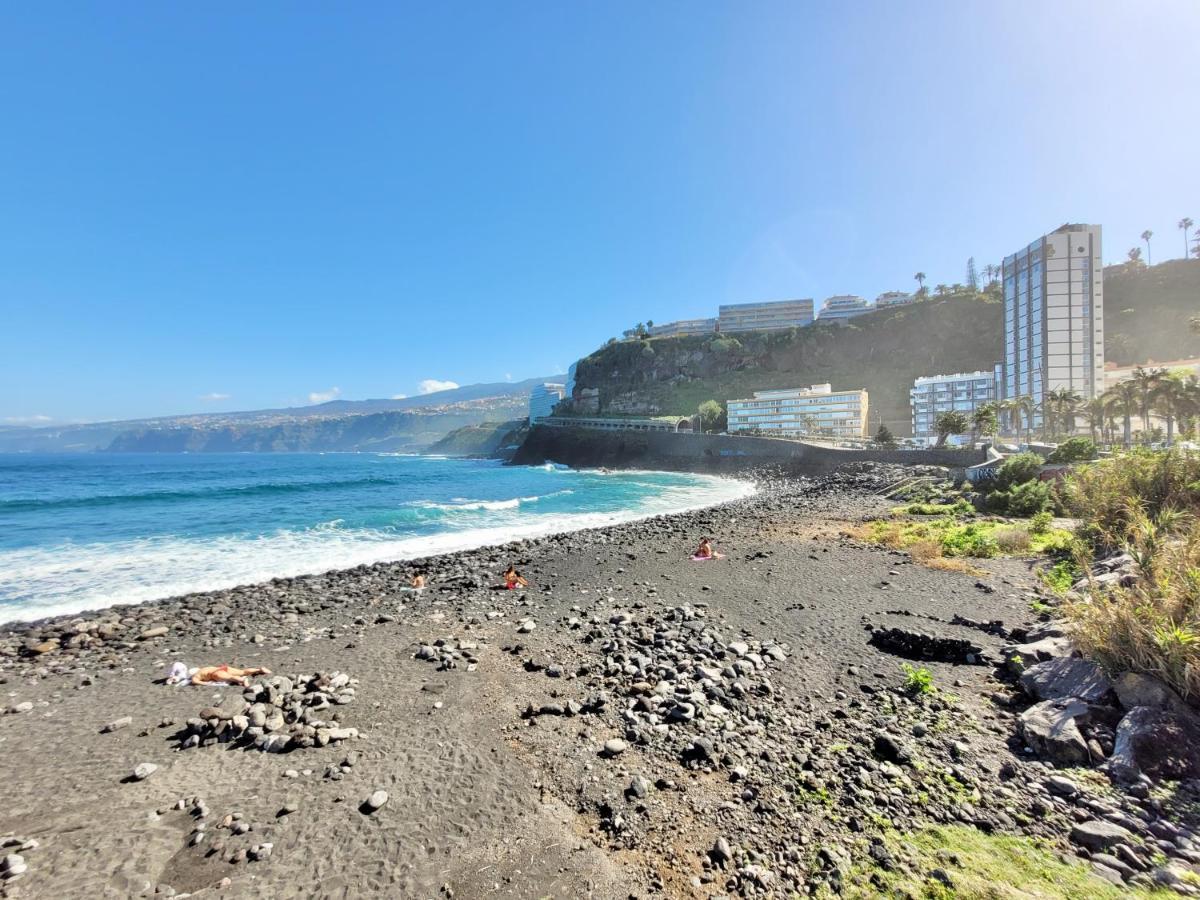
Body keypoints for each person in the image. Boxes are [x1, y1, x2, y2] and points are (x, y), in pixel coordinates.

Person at [190, 664, 271, 687]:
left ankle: (242, 680)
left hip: (215, 673)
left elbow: (194, 680)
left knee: (230, 678)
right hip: (222, 667)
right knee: (242, 672)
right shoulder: (204, 668)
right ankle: (259, 670)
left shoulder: (196, 675)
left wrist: (206, 683)